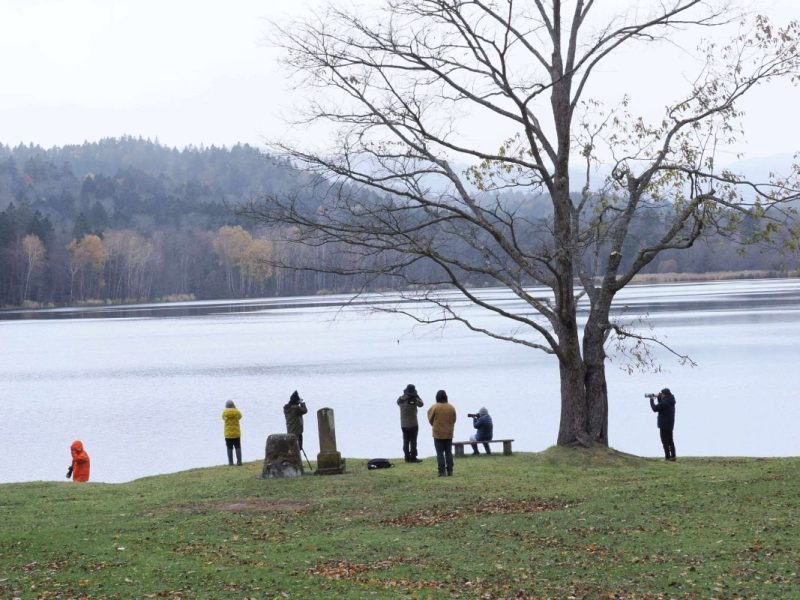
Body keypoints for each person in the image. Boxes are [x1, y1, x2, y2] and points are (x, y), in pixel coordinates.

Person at [427, 389, 457, 477]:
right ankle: (450, 470)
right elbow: (454, 419)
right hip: (449, 433)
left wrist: (434, 424)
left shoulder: (435, 407)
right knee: (448, 451)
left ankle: (442, 471)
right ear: (446, 397)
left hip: (438, 433)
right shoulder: (451, 407)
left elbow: (430, 418)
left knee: (439, 452)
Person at [397, 383, 424, 463]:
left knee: (405, 441)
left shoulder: (400, 399)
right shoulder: (414, 399)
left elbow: (398, 402)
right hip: (413, 423)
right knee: (413, 441)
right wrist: (416, 396)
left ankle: (406, 457)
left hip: (403, 424)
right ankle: (413, 458)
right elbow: (421, 404)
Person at [650, 388, 676, 461]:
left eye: (662, 394)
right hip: (670, 424)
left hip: (664, 424)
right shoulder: (671, 400)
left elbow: (655, 408)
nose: (661, 395)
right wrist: (659, 399)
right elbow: (662, 407)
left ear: (664, 394)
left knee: (665, 441)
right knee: (670, 440)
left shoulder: (665, 402)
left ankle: (667, 458)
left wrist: (651, 399)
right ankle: (673, 456)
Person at [222, 400, 243, 466]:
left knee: (229, 448)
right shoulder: (236, 412)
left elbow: (223, 418)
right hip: (236, 434)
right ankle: (239, 462)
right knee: (238, 447)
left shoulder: (224, 412)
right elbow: (240, 416)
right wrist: (235, 408)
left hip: (228, 435)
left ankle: (230, 462)